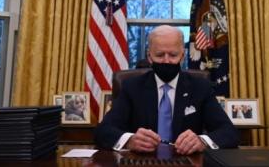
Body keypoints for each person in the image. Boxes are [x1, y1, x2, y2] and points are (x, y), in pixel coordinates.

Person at [95, 25, 239, 155]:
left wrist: (201, 142)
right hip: (142, 162)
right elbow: (103, 131)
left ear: (182, 56)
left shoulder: (201, 87)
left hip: (185, 161)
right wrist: (129, 140)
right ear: (149, 56)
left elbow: (229, 132)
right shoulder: (132, 87)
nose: (166, 61)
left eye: (173, 55)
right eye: (159, 55)